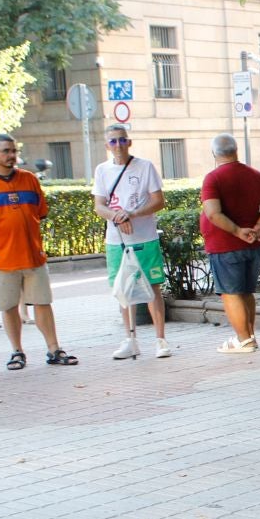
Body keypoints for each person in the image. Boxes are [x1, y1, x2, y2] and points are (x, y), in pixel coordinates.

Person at [0, 134, 78, 370]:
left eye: (14, 151)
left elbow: (39, 213)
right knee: (8, 306)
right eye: (6, 151)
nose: (12, 156)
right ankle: (17, 351)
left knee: (43, 302)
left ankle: (54, 349)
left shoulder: (29, 179)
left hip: (32, 255)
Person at [92, 123, 169, 360]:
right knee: (122, 290)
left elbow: (158, 201)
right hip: (116, 240)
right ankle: (131, 339)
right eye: (113, 141)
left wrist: (132, 214)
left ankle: (160, 340)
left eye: (122, 140)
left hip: (144, 237)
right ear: (107, 145)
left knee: (152, 288)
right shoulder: (102, 170)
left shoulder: (144, 167)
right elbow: (99, 205)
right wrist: (117, 216)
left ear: (129, 142)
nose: (118, 145)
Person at [199, 134, 260, 354]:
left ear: (214, 154)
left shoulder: (213, 178)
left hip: (225, 244)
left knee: (231, 293)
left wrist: (236, 231)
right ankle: (250, 336)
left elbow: (213, 213)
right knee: (246, 291)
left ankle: (243, 340)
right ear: (236, 150)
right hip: (253, 244)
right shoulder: (255, 175)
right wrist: (258, 226)